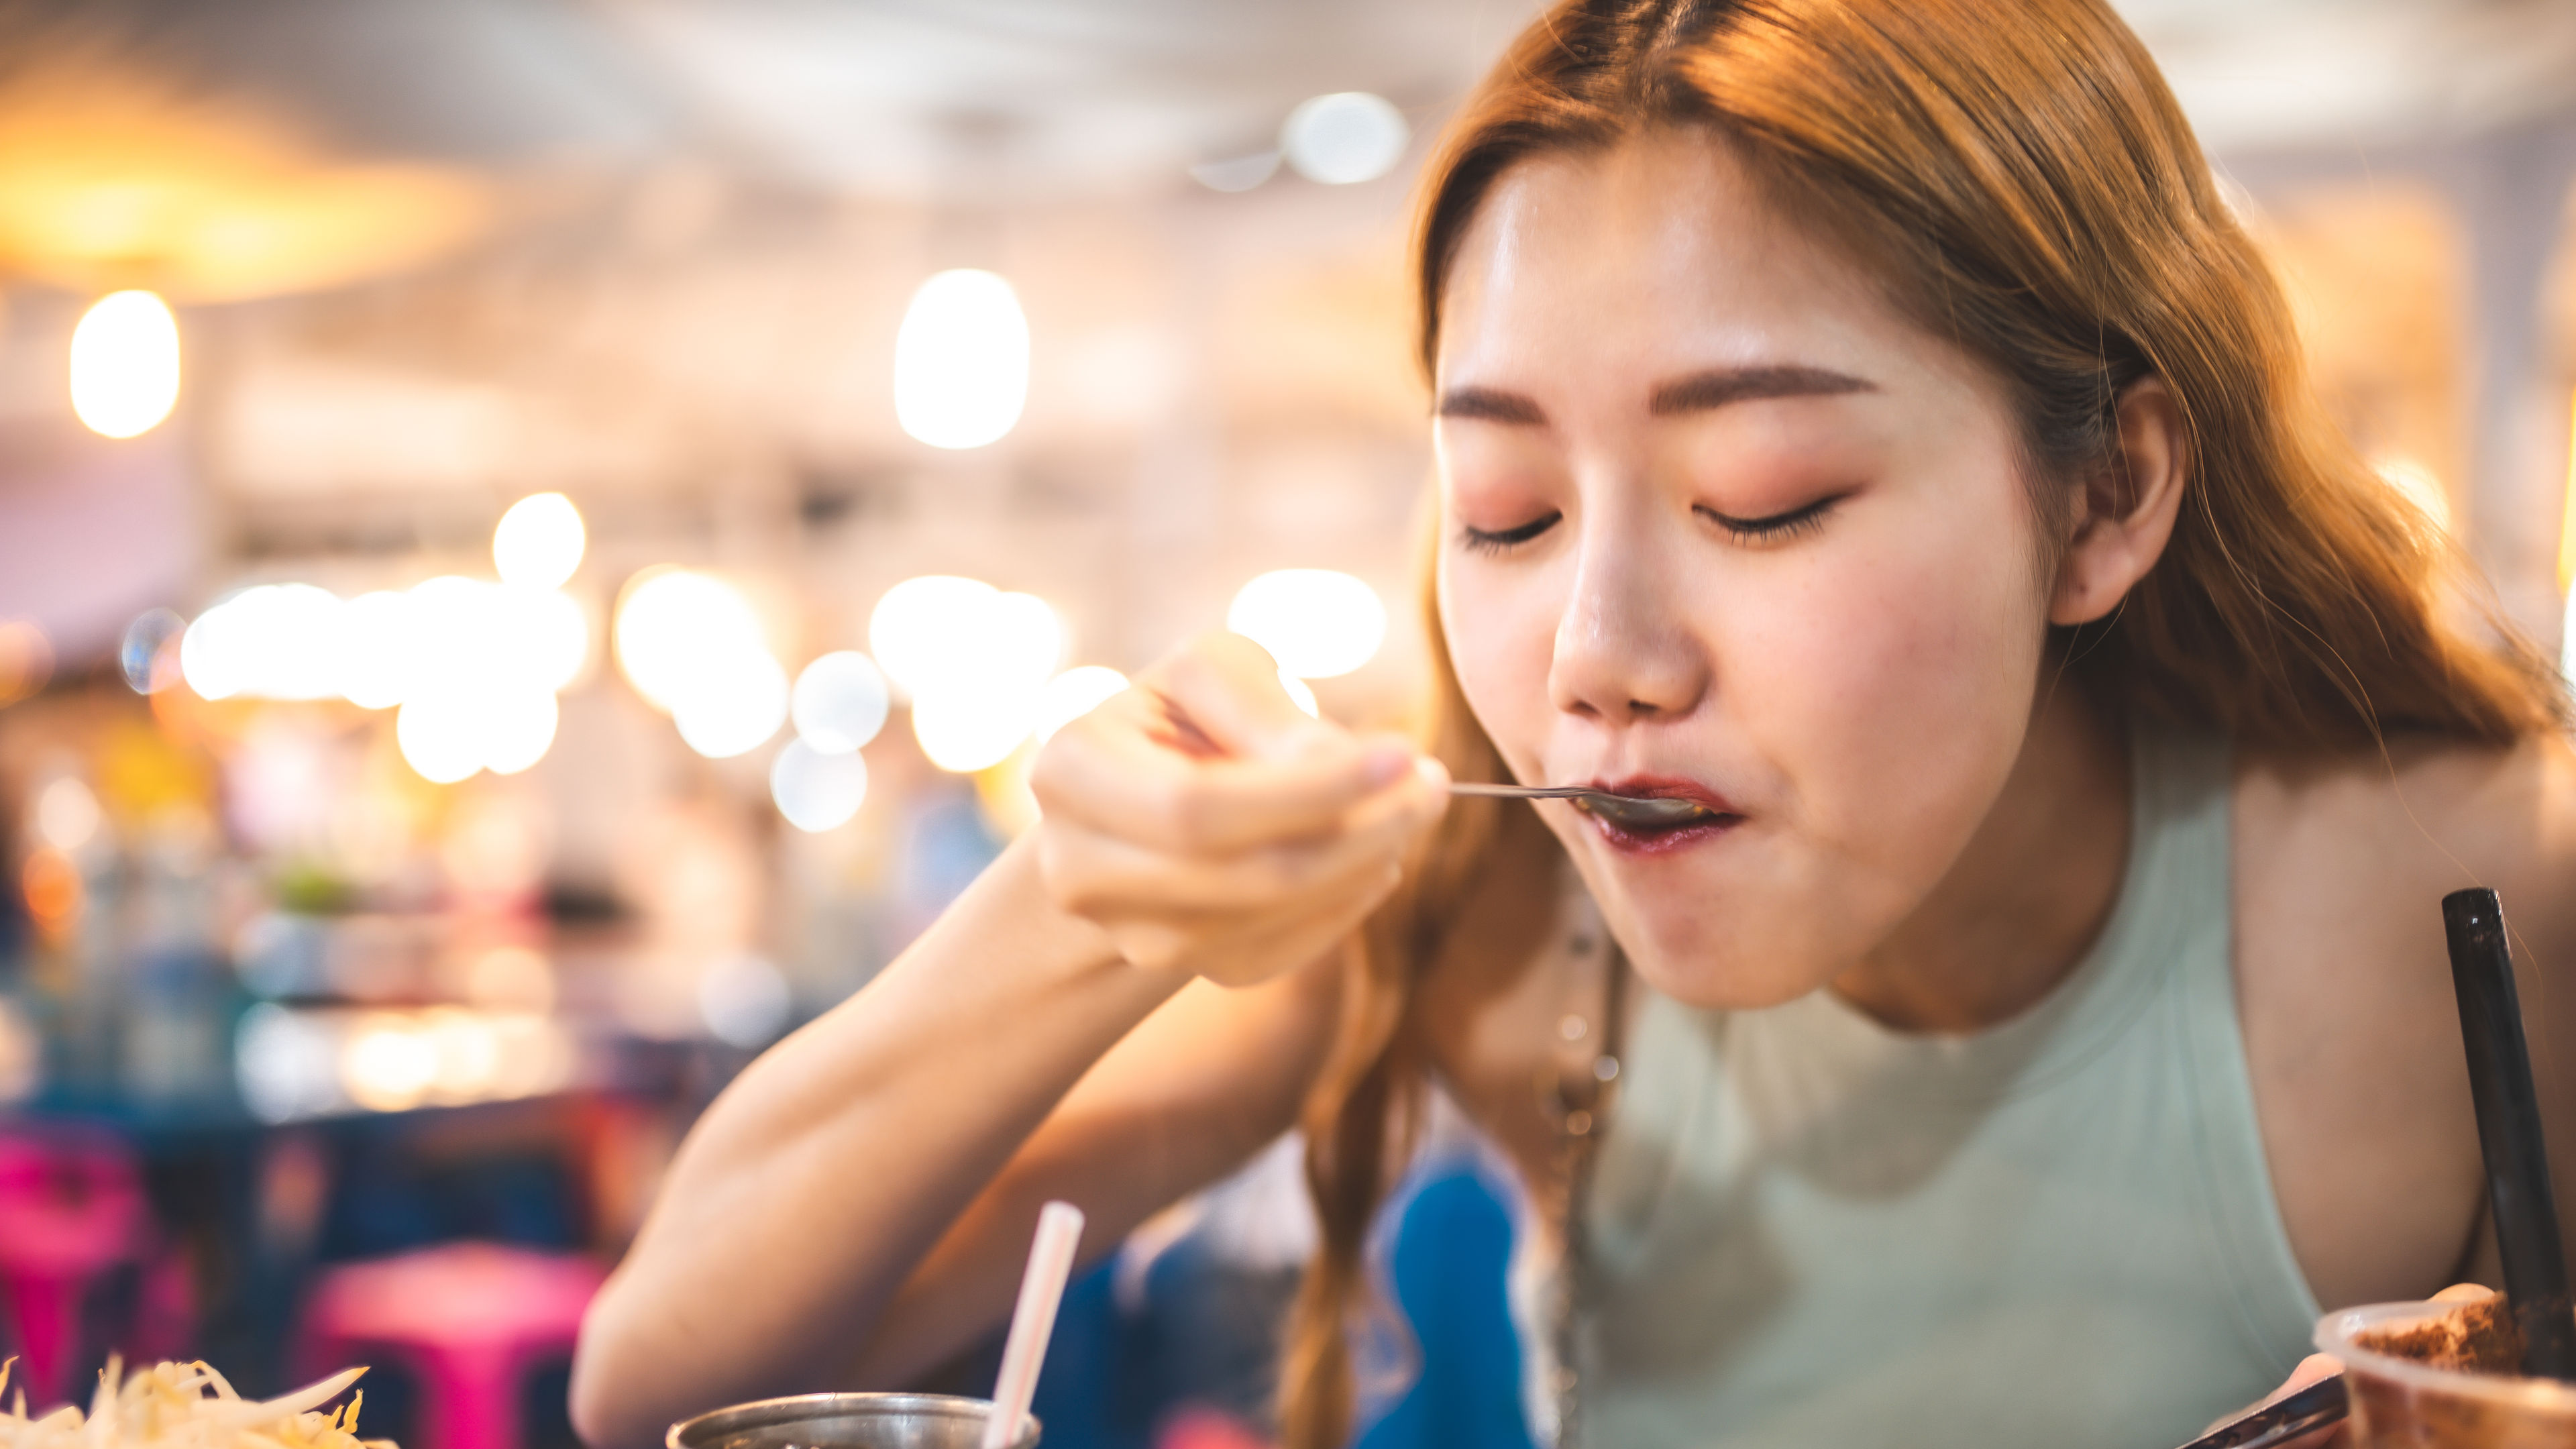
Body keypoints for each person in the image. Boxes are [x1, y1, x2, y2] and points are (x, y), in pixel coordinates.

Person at [568, 1, 2576, 1446]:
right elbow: (663, 1368)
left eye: (1765, 495)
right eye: (1506, 514)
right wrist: (1076, 911)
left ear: (2108, 493)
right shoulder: (1486, 918)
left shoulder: (2472, 895)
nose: (1597, 651)